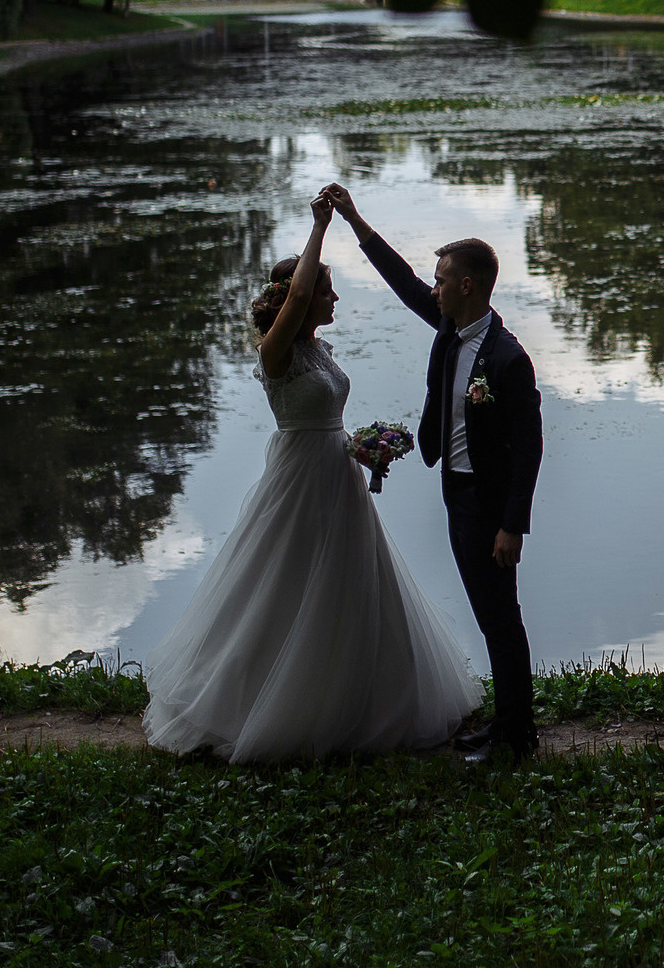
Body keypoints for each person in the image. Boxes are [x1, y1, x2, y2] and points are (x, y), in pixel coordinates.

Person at [141, 189, 480, 760]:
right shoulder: (278, 353)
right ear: (298, 298)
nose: (333, 297)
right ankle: (258, 705)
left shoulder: (320, 349)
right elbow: (299, 291)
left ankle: (361, 700)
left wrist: (363, 446)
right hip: (298, 481)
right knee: (285, 584)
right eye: (327, 289)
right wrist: (322, 225)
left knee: (350, 586)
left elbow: (327, 415)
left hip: (339, 476)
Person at [330, 183, 544, 762]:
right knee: (487, 611)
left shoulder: (506, 358)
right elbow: (403, 284)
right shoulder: (450, 329)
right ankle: (506, 722)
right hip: (456, 494)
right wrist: (354, 219)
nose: (436, 287)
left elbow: (529, 449)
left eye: (443, 279)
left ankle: (516, 737)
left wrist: (511, 526)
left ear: (467, 285)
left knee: (501, 617)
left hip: (489, 504)